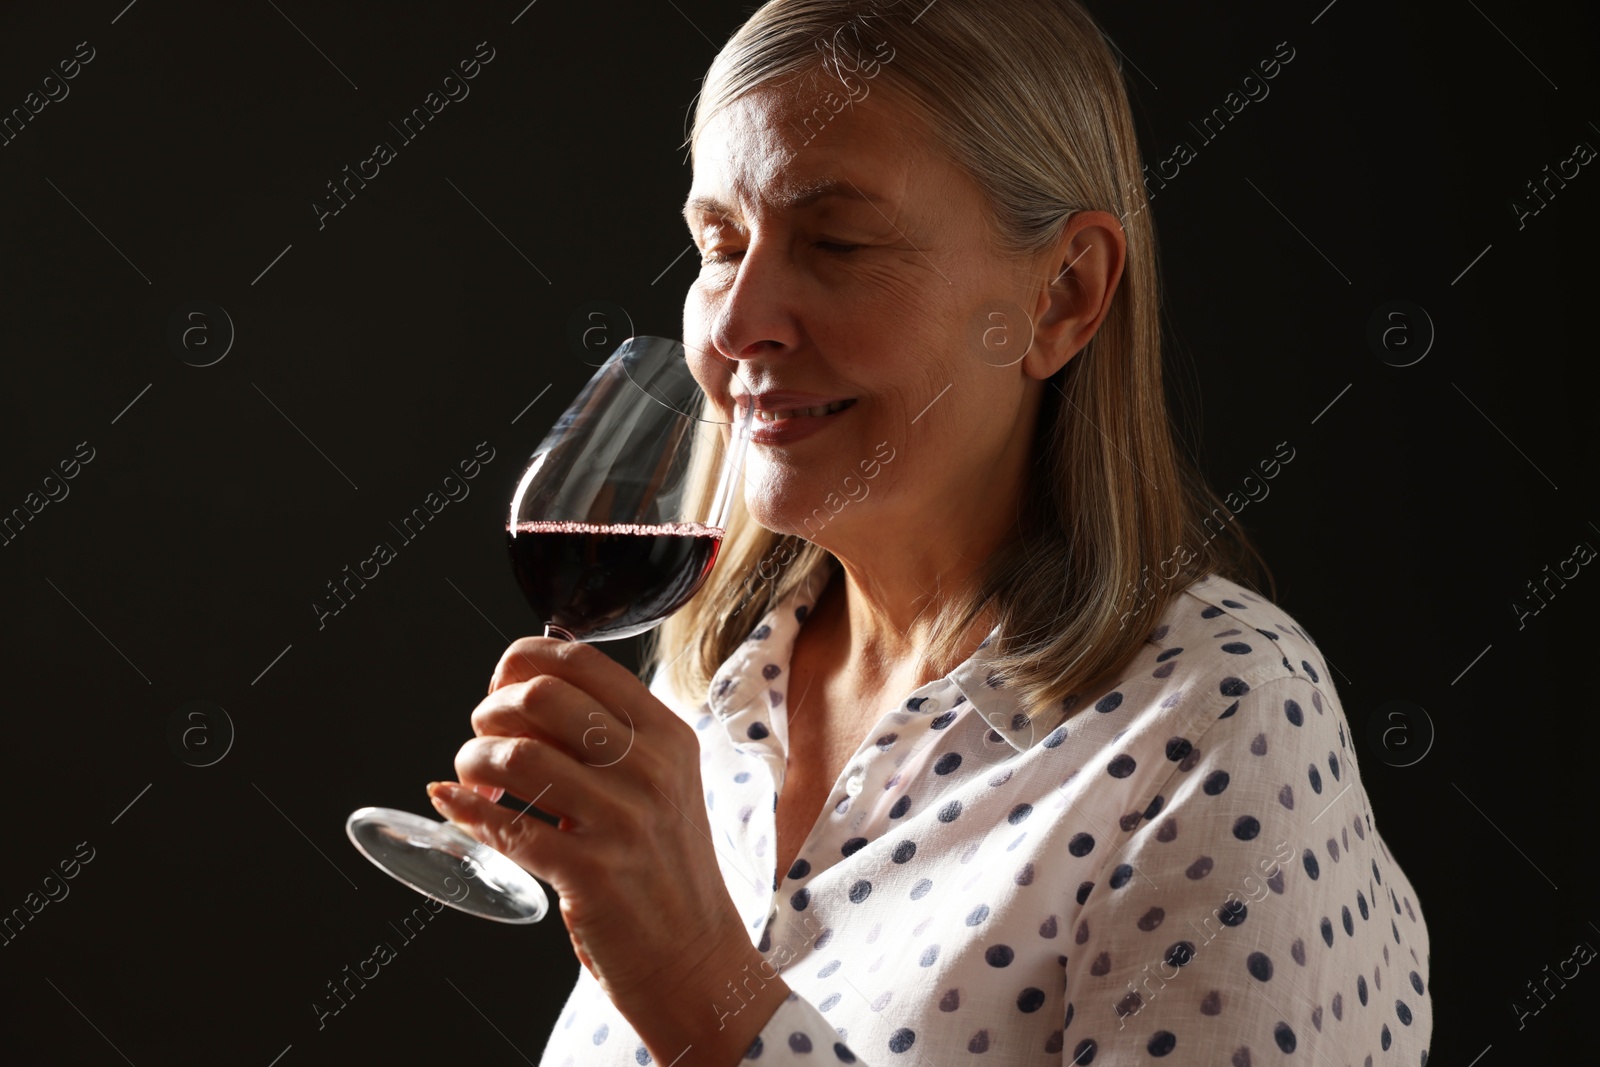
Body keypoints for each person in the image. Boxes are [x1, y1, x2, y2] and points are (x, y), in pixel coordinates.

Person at [425, 1, 1434, 1063]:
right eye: (719, 245)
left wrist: (694, 980)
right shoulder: (707, 694)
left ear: (1062, 296)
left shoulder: (1223, 717)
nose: (734, 322)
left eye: (838, 241)